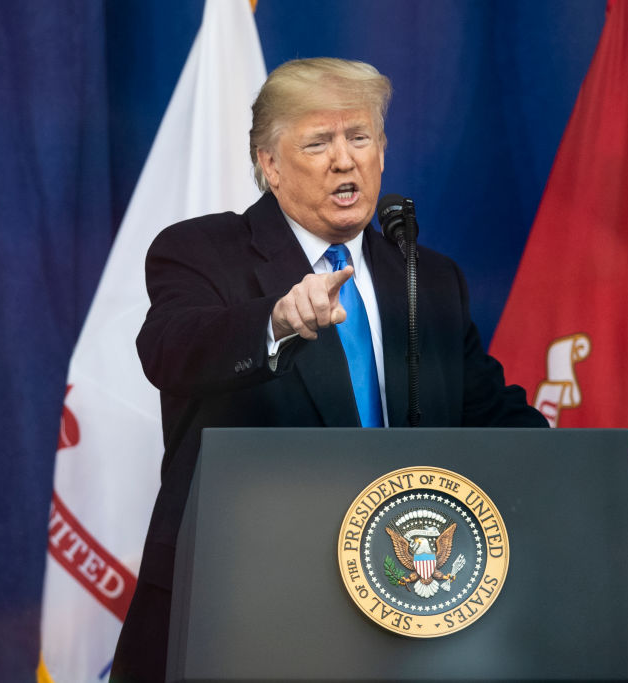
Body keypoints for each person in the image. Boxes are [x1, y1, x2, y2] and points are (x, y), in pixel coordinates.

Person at [110, 57, 547, 682]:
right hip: (242, 606)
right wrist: (277, 320)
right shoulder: (202, 252)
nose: (345, 160)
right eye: (318, 142)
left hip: (399, 607)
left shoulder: (427, 277)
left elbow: (490, 414)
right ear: (269, 164)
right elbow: (171, 350)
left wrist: (587, 482)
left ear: (383, 152)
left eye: (359, 137)